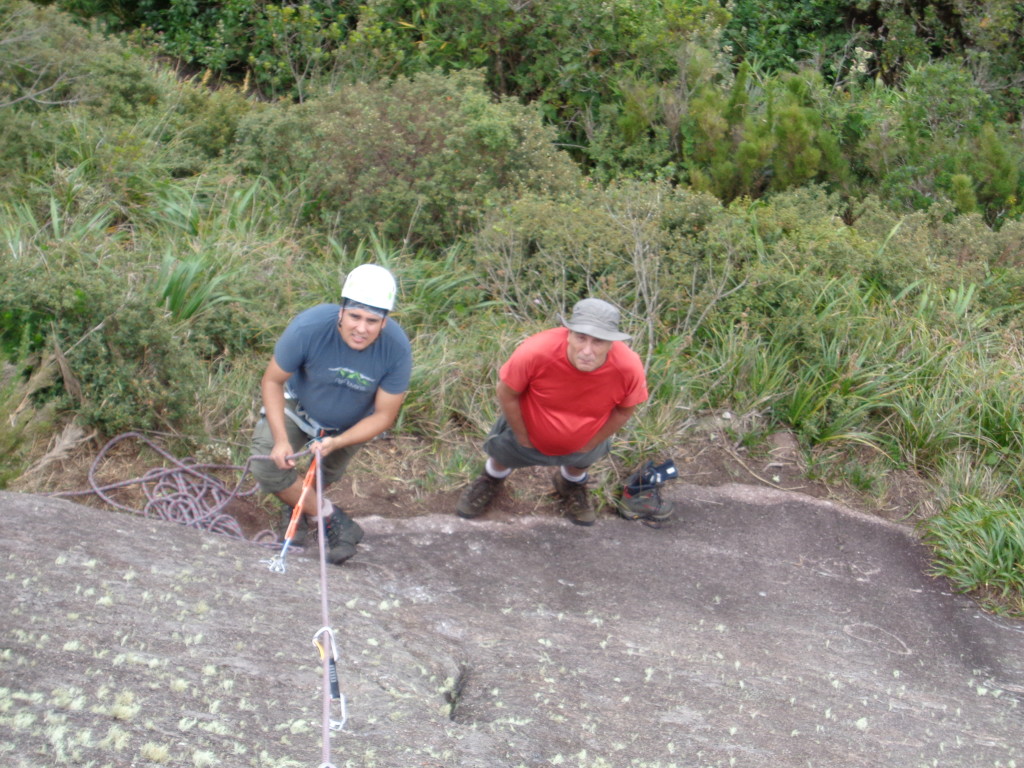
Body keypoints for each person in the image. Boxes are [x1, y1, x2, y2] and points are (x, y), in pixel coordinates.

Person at [251, 264, 412, 565]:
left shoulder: (397, 350)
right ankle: (334, 520)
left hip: (349, 424)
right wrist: (281, 441)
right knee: (267, 466)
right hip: (299, 406)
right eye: (355, 316)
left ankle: (296, 509)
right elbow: (272, 380)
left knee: (323, 476)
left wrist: (337, 443)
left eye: (372, 320)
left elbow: (384, 415)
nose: (361, 329)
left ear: (385, 322)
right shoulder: (308, 328)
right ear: (341, 311)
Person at [456, 298, 648, 525]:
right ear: (568, 333)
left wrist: (592, 441)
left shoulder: (628, 367)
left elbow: (625, 410)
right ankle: (491, 479)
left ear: (611, 343)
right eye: (580, 338)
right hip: (527, 428)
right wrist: (521, 434)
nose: (587, 350)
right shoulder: (536, 352)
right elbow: (507, 393)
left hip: (586, 435)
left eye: (598, 341)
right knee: (502, 456)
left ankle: (571, 482)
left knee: (582, 460)